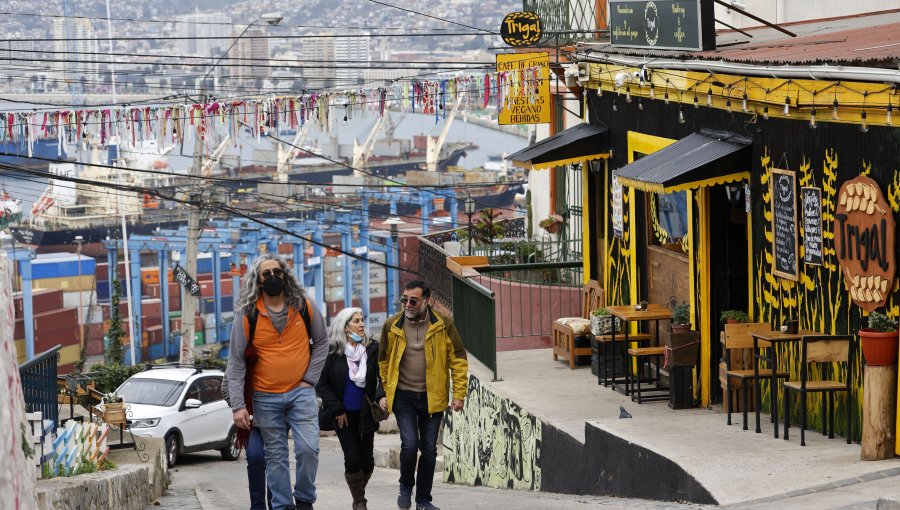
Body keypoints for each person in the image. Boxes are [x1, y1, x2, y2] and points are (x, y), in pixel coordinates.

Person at [226, 254, 328, 510]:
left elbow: (323, 342)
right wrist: (238, 406)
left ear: (285, 275)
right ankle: (283, 506)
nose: (273, 277)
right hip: (264, 397)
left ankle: (304, 499)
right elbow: (236, 361)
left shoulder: (304, 306)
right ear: (258, 281)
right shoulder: (247, 315)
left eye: (277, 272)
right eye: (266, 274)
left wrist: (310, 379)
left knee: (309, 449)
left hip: (301, 393)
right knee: (276, 458)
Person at [379, 280, 468, 510]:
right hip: (403, 397)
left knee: (428, 449)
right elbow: (383, 360)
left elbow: (458, 359)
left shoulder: (443, 325)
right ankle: (405, 486)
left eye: (413, 300)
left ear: (427, 301)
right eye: (404, 300)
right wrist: (387, 390)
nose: (407, 304)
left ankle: (423, 500)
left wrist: (459, 394)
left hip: (433, 397)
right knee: (409, 445)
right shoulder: (392, 325)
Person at [316, 307, 387, 510]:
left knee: (368, 463)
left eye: (362, 320)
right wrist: (337, 409)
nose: (362, 324)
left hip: (366, 415)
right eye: (356, 321)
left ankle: (357, 494)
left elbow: (384, 376)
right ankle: (359, 502)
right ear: (346, 327)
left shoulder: (372, 349)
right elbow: (321, 384)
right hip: (343, 416)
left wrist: (381, 396)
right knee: (353, 459)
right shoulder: (333, 353)